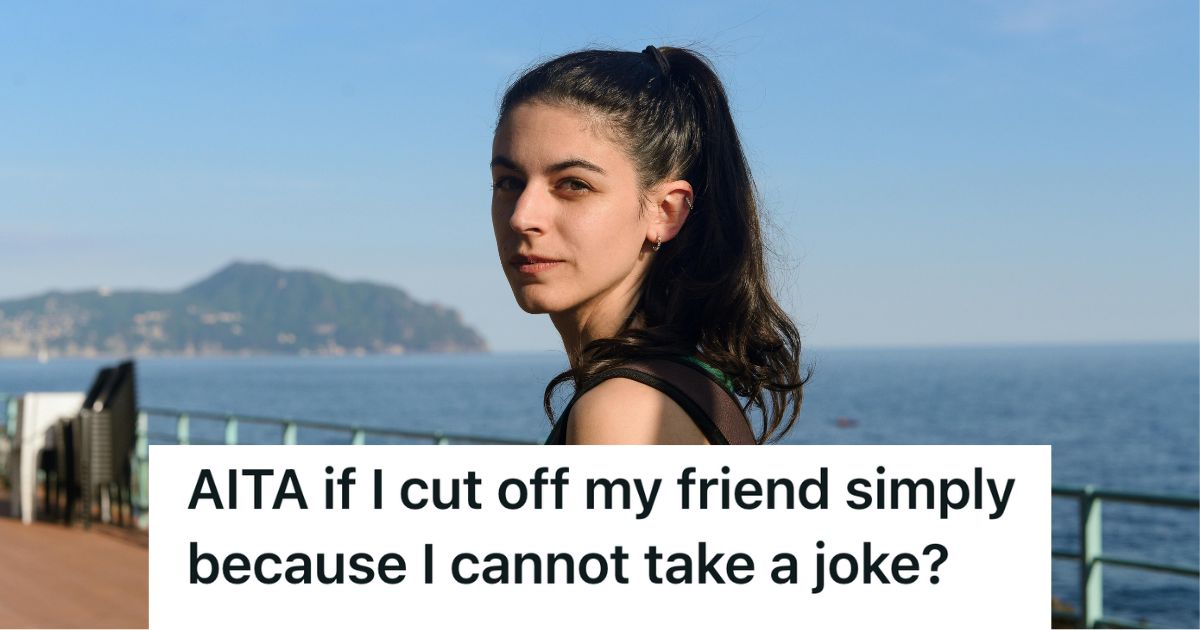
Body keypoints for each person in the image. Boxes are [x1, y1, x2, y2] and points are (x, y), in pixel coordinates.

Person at [490, 45, 808, 445]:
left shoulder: (622, 411)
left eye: (573, 184)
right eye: (508, 182)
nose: (522, 216)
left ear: (666, 211)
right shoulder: (680, 384)